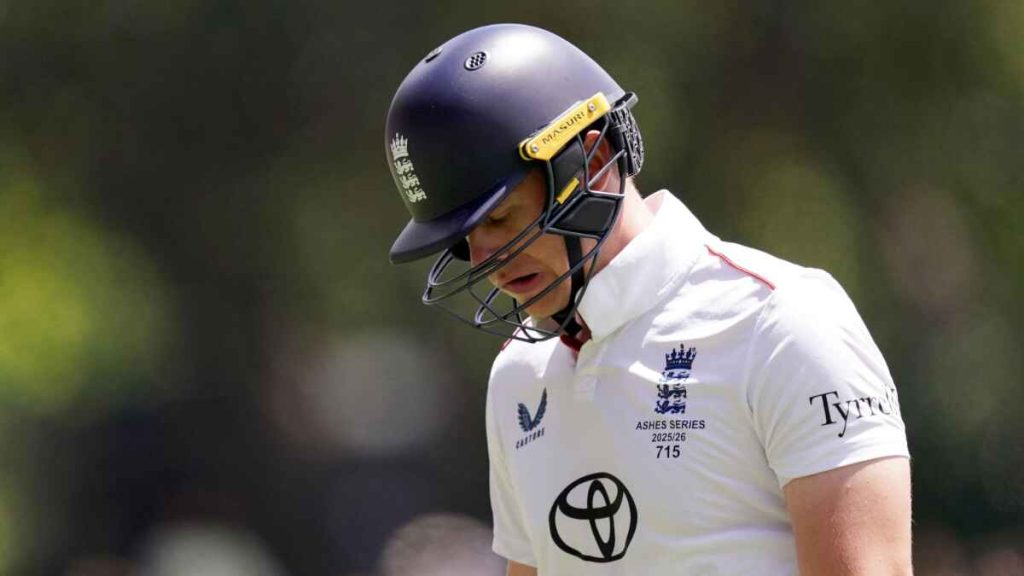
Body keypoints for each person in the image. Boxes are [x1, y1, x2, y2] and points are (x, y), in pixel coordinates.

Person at [384, 23, 912, 576]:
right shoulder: (519, 375)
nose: (487, 257)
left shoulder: (784, 323)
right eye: (463, 239)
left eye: (498, 217)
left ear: (588, 161)